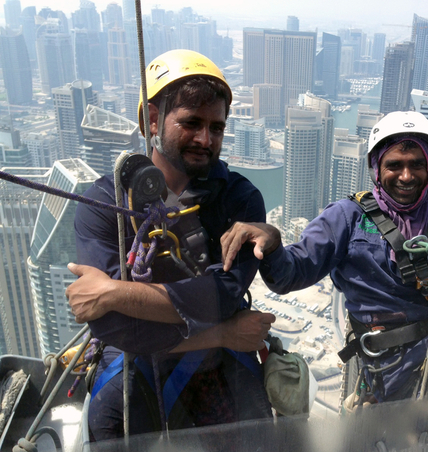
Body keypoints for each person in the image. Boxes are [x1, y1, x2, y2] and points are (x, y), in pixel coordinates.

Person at [221, 111, 428, 403]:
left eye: (417, 165)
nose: (406, 176)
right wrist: (273, 241)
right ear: (376, 167)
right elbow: (290, 274)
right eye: (394, 165)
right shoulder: (347, 219)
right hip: (394, 371)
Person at [65, 49, 275, 440]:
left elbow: (224, 298)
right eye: (191, 123)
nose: (206, 139)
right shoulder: (104, 204)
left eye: (217, 128)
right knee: (109, 425)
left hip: (212, 358)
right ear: (151, 119)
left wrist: (114, 292)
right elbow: (113, 326)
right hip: (138, 354)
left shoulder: (240, 200)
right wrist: (221, 333)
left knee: (256, 434)